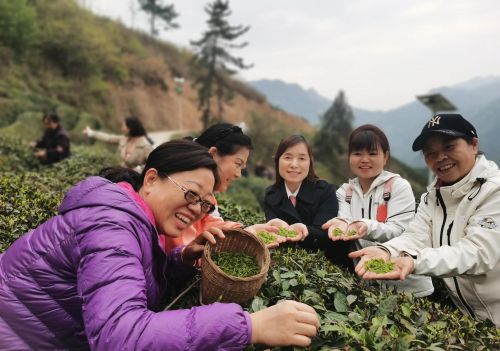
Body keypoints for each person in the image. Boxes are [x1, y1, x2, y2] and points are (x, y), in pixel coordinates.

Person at [0, 139, 320, 350]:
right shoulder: (111, 225)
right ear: (151, 179)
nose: (197, 209)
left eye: (206, 204)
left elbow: (128, 280)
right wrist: (248, 325)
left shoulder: (133, 221)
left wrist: (180, 261)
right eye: (191, 194)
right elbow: (120, 336)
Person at [349, 114, 500, 327]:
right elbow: (415, 236)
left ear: (473, 145)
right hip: (473, 321)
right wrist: (386, 251)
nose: (440, 158)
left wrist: (413, 261)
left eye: (449, 147)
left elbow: (477, 252)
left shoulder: (494, 192)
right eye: (431, 152)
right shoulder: (433, 197)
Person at [322, 125, 433, 296]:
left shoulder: (398, 187)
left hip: (409, 288)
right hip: (369, 286)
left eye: (372, 154)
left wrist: (365, 226)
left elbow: (401, 231)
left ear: (385, 156)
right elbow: (344, 221)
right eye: (357, 153)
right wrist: (340, 224)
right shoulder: (345, 192)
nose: (364, 159)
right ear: (349, 157)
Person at [163, 124, 306, 252]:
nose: (238, 174)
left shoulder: (207, 197)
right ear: (213, 154)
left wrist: (247, 232)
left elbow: (212, 223)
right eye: (238, 164)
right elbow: (178, 248)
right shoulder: (176, 187)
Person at [262, 135, 353, 270]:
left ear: (310, 162)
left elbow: (326, 234)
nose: (294, 164)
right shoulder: (271, 195)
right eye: (287, 157)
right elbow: (275, 235)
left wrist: (304, 231)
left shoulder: (325, 191)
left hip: (330, 270)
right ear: (277, 161)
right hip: (289, 268)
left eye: (302, 158)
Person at [83, 116, 153, 171]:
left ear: (130, 128)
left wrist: (139, 169)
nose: (121, 128)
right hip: (120, 176)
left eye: (123, 126)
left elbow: (154, 163)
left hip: (136, 181)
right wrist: (91, 133)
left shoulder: (145, 145)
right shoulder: (123, 139)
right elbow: (108, 138)